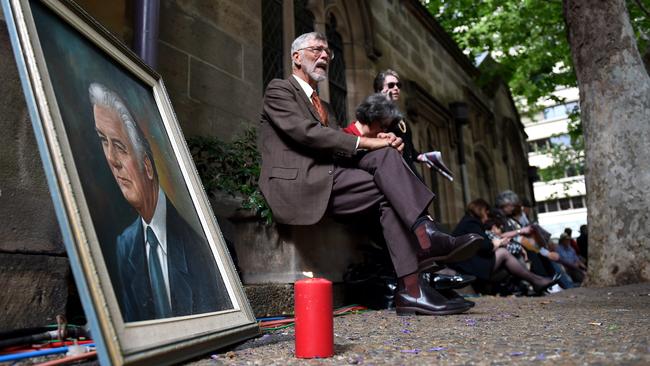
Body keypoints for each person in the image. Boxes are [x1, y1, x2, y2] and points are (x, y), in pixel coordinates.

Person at [259, 32, 482, 316]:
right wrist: (369, 141)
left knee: (388, 170)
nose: (325, 56)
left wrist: (385, 142)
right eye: (317, 49)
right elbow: (306, 134)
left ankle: (414, 285)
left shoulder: (324, 106)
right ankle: (426, 244)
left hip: (329, 177)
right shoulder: (280, 89)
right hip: (300, 184)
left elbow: (340, 148)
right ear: (296, 57)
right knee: (384, 167)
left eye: (329, 52)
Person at [89, 82, 231, 322]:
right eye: (104, 141)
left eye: (120, 147)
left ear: (147, 165)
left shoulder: (200, 244)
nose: (111, 160)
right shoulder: (125, 245)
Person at [451, 199, 560, 295]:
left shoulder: (468, 222)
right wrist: (498, 243)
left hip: (469, 263)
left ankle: (535, 281)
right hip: (467, 266)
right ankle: (536, 281)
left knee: (510, 254)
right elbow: (486, 246)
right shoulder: (471, 223)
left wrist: (497, 243)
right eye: (487, 213)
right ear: (482, 210)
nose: (487, 217)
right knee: (504, 253)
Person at [372, 69, 453, 181]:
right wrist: (384, 102)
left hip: (408, 170)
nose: (396, 88)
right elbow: (376, 137)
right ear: (379, 89)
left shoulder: (400, 118)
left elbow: (409, 148)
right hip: (394, 172)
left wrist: (423, 157)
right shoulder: (375, 112)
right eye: (391, 85)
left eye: (398, 85)